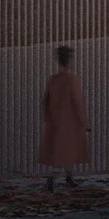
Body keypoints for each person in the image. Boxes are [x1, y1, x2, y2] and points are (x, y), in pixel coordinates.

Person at [39, 45, 91, 191]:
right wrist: (84, 122)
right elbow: (78, 102)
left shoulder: (52, 80)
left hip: (56, 123)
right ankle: (52, 179)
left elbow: (45, 101)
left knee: (64, 152)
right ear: (69, 61)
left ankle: (69, 177)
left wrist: (48, 118)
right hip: (70, 124)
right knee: (64, 153)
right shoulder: (71, 80)